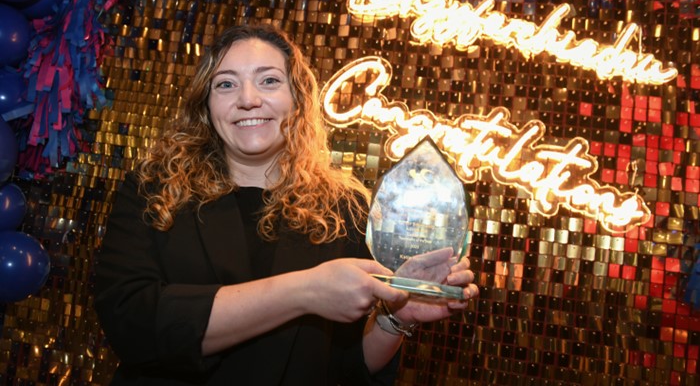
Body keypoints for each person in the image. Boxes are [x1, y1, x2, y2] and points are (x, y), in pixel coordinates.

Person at [94, 23, 479, 385]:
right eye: (226, 84)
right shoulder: (153, 192)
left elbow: (346, 370)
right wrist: (304, 291)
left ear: (297, 100)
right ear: (206, 105)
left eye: (269, 80)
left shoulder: (345, 209)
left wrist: (394, 319)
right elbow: (134, 328)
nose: (248, 99)